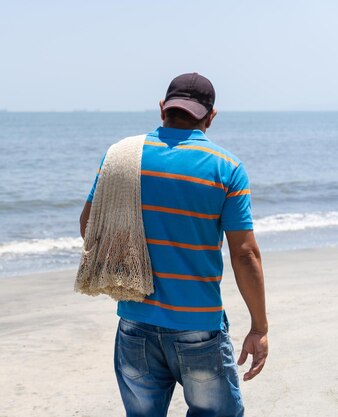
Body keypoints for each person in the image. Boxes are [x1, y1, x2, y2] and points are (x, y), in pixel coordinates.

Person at [79, 73, 268, 417]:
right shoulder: (226, 167)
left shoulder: (120, 157)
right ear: (211, 117)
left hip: (134, 323)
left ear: (163, 107)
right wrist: (259, 327)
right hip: (198, 328)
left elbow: (90, 229)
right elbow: (245, 254)